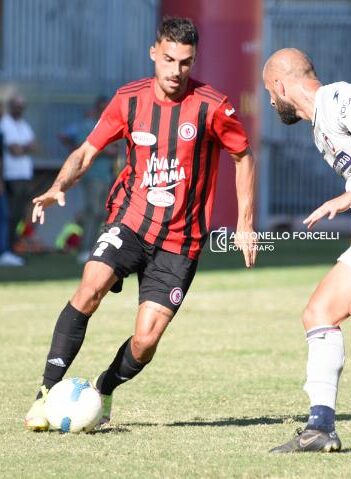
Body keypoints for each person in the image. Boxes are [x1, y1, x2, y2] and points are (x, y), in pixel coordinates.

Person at [25, 16, 256, 432]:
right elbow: (86, 151)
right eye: (168, 59)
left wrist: (245, 222)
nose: (175, 71)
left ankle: (103, 386)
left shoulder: (212, 106)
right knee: (90, 287)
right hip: (130, 221)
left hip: (179, 243)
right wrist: (60, 184)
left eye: (185, 62)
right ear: (154, 52)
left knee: (146, 341)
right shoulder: (128, 100)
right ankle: (45, 394)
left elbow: (243, 155)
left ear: (194, 60)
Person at [263, 48, 351, 453]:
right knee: (319, 312)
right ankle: (320, 426)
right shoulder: (320, 129)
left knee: (319, 312)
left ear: (281, 85)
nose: (269, 101)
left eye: (269, 92)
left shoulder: (338, 100)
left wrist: (344, 200)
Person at [58, 96, 120, 263]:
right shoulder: (88, 125)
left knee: (101, 213)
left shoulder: (107, 124)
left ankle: (93, 247)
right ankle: (84, 249)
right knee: (92, 211)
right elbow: (88, 147)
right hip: (92, 175)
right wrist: (108, 151)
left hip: (106, 175)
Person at [1, 95, 37, 265]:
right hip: (11, 176)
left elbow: (36, 146)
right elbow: (14, 151)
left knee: (19, 216)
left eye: (22, 106)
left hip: (24, 176)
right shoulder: (5, 124)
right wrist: (25, 147)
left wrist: (23, 148)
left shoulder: (23, 124)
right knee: (10, 215)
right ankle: (5, 251)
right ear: (10, 106)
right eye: (17, 106)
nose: (20, 109)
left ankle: (11, 249)